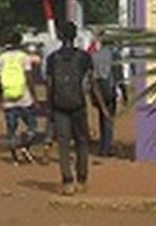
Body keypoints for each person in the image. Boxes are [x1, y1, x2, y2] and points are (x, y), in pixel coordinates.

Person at [45, 21, 108, 195]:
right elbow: (91, 83)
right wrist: (101, 106)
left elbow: (50, 84)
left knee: (63, 143)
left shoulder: (52, 58)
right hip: (78, 104)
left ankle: (67, 181)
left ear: (60, 36)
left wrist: (49, 108)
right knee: (81, 142)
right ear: (75, 36)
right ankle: (82, 179)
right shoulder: (83, 57)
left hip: (58, 105)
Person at [0, 31, 41, 164]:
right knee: (32, 127)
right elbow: (29, 78)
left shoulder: (1, 58)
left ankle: (14, 158)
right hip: (24, 98)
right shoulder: (23, 57)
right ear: (20, 42)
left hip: (8, 99)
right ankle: (25, 146)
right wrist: (34, 96)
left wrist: (0, 98)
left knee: (11, 130)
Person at [89, 36, 118, 157]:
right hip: (109, 86)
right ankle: (107, 147)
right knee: (109, 117)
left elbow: (91, 75)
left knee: (102, 115)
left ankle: (103, 145)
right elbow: (118, 73)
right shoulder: (114, 56)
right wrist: (124, 91)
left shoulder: (94, 56)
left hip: (97, 87)